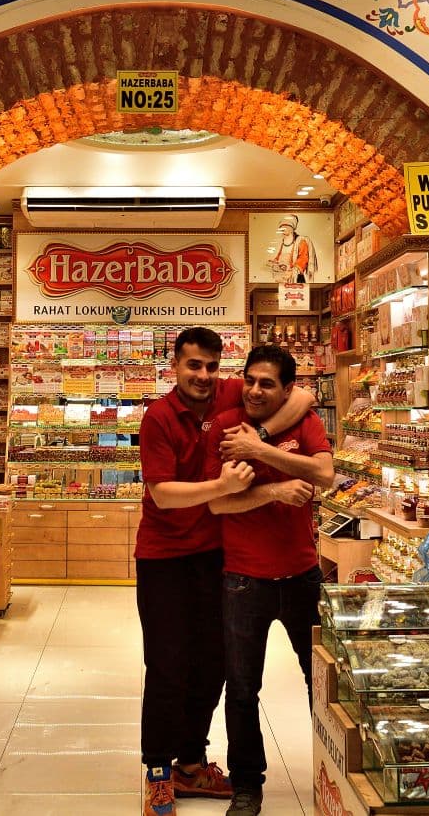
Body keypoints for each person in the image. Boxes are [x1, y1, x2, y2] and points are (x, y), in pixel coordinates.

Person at [137, 327, 315, 816]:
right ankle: (157, 770)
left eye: (213, 367)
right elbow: (162, 495)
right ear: (175, 365)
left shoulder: (230, 394)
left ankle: (190, 763)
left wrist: (258, 438)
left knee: (214, 665)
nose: (204, 376)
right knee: (168, 665)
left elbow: (301, 394)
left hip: (216, 556)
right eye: (194, 366)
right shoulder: (159, 417)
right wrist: (220, 486)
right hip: (164, 557)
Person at [202, 345, 334, 816]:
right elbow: (219, 502)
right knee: (241, 689)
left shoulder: (300, 424)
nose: (255, 390)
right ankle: (246, 786)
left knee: (320, 682)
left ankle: (332, 770)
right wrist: (274, 489)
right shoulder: (224, 427)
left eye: (267, 383)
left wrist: (260, 450)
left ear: (287, 389)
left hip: (303, 576)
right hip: (242, 580)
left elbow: (325, 473)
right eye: (250, 380)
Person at [265, 214, 316, 283]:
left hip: (296, 277)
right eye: (281, 228)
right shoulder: (284, 242)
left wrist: (293, 271)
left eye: (285, 227)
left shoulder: (301, 241)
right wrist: (275, 261)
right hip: (282, 275)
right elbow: (279, 256)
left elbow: (303, 258)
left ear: (291, 229)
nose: (282, 230)